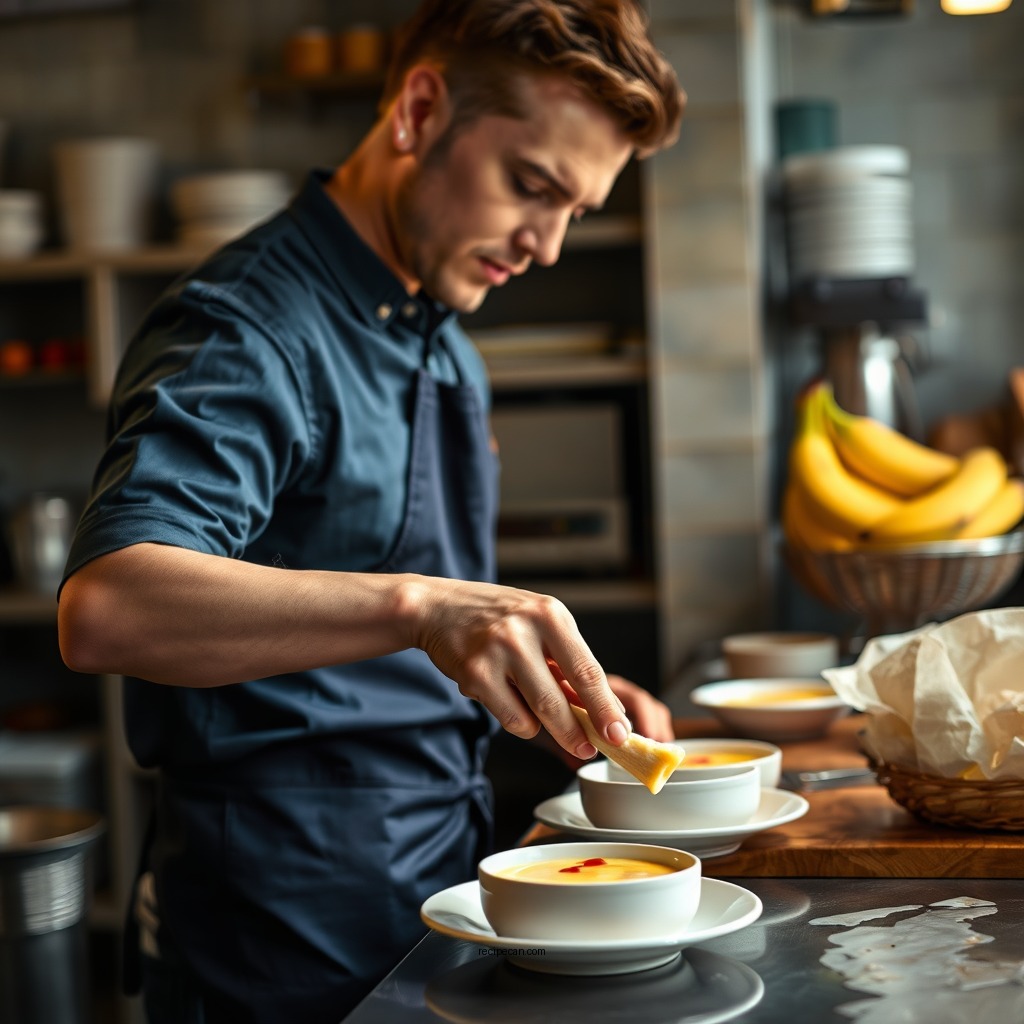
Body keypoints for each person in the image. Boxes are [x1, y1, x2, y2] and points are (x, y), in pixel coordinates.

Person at [57, 1, 685, 1020]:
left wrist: (550, 688)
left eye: (577, 210)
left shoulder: (442, 334)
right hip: (276, 930)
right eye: (531, 186)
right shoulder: (247, 327)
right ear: (421, 109)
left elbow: (403, 643)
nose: (548, 244)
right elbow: (106, 607)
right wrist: (422, 607)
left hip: (437, 884)